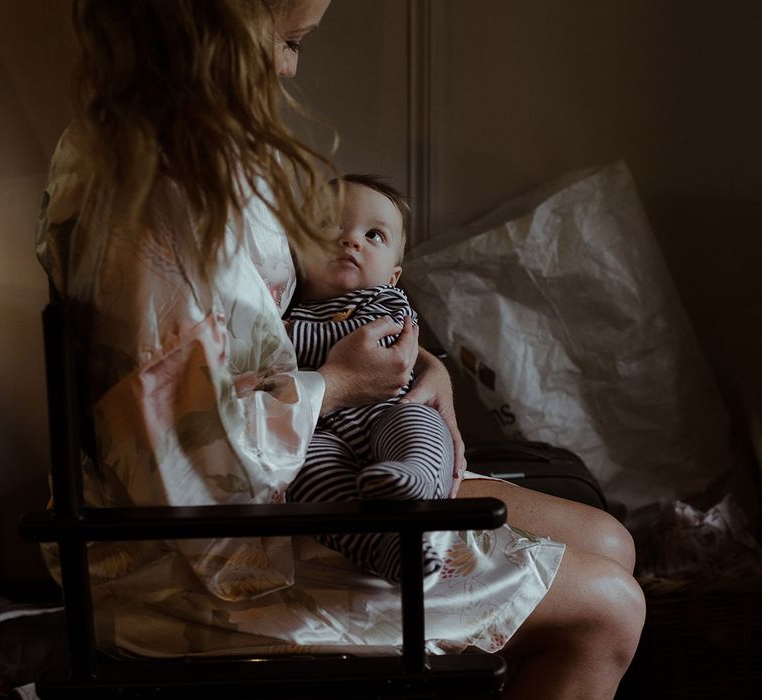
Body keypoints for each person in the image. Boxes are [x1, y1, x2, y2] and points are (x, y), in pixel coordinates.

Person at [35, 1, 644, 697]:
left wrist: (419, 367)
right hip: (197, 572)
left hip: (276, 486)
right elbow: (195, 475)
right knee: (609, 609)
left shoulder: (160, 153)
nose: (290, 67)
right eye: (290, 41)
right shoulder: (164, 204)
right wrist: (340, 386)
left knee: (612, 543)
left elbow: (249, 346)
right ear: (218, 31)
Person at [285, 174, 454, 583]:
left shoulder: (386, 303)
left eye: (374, 234)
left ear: (394, 276)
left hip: (386, 414)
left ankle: (413, 478)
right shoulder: (283, 312)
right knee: (306, 476)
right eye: (328, 226)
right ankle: (381, 547)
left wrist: (287, 337)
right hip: (320, 432)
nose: (350, 240)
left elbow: (373, 346)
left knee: (420, 424)